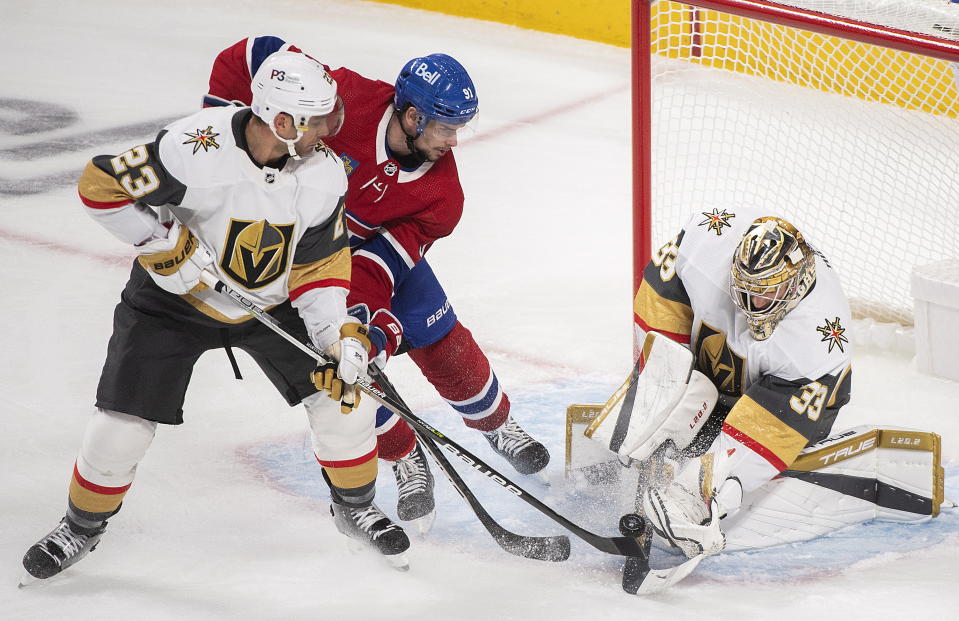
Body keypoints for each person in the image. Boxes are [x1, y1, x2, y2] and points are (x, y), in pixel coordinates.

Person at [22, 51, 411, 583]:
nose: (329, 129)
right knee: (119, 429)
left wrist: (337, 339)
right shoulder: (192, 148)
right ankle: (80, 526)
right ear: (281, 121)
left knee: (345, 401)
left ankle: (355, 505)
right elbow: (99, 186)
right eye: (317, 119)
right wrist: (162, 245)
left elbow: (319, 267)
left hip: (271, 305)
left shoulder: (323, 176)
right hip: (171, 304)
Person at [202, 36, 551, 525]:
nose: (454, 142)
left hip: (372, 261)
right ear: (413, 117)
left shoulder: (442, 195)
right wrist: (220, 135)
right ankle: (406, 457)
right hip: (299, 256)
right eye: (447, 128)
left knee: (439, 336)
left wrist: (368, 322)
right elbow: (254, 52)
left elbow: (382, 264)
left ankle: (498, 425)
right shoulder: (345, 98)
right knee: (346, 371)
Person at [615, 208, 854, 558]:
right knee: (652, 409)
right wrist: (659, 391)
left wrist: (705, 490)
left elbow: (774, 426)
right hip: (714, 366)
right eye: (744, 289)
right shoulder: (704, 247)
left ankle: (693, 497)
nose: (751, 304)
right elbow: (659, 296)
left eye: (766, 293)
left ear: (797, 283)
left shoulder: (818, 340)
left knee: (766, 429)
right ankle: (666, 418)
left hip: (781, 392)